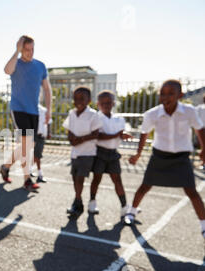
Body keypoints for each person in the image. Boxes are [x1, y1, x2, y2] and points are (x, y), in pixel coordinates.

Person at [126, 80, 205, 240]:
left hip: (181, 158)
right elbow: (144, 133)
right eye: (163, 93)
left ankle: (203, 225)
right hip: (159, 156)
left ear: (180, 95)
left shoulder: (189, 111)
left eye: (171, 93)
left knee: (192, 192)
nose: (166, 97)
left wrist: (204, 149)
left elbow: (199, 129)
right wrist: (138, 154)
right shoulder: (152, 114)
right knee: (145, 186)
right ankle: (131, 212)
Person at [0, 35, 52, 192]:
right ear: (22, 49)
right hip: (18, 108)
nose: (30, 52)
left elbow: (47, 89)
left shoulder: (40, 66)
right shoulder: (16, 63)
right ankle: (27, 179)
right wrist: (16, 51)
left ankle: (6, 166)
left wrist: (49, 109)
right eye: (26, 49)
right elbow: (6, 70)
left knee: (28, 144)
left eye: (32, 49)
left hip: (33, 110)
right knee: (27, 144)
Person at [88, 90, 133, 217]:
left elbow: (120, 134)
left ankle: (124, 206)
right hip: (99, 153)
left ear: (113, 103)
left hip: (113, 154)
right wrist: (116, 135)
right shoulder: (96, 118)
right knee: (97, 178)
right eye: (103, 103)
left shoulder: (119, 119)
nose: (106, 105)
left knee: (117, 180)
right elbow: (98, 136)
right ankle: (92, 202)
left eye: (109, 102)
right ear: (98, 104)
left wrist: (122, 135)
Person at [63, 87, 102, 218]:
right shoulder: (72, 113)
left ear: (89, 100)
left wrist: (80, 139)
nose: (78, 101)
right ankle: (78, 202)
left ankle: (77, 202)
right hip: (75, 152)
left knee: (80, 178)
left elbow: (96, 134)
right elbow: (69, 131)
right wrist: (72, 140)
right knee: (75, 178)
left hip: (87, 153)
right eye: (76, 98)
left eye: (82, 99)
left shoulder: (93, 114)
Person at [30, 104, 52, 183]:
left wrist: (49, 132)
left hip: (41, 136)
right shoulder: (30, 109)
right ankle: (40, 174)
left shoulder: (44, 110)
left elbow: (49, 122)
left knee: (36, 155)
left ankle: (30, 170)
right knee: (37, 155)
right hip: (33, 136)